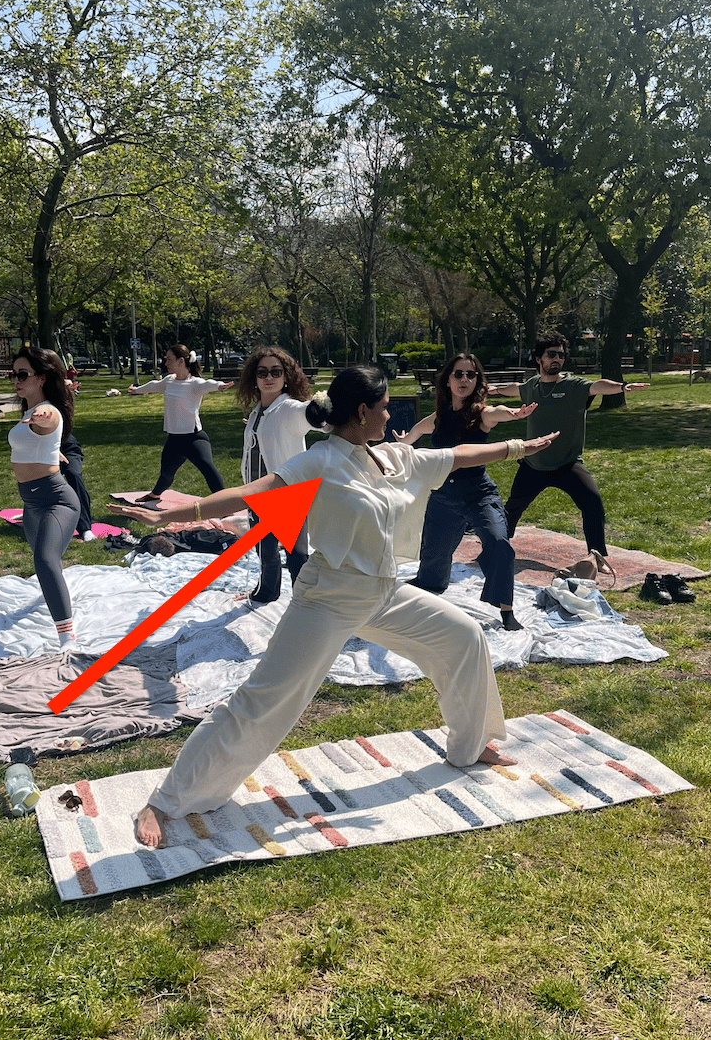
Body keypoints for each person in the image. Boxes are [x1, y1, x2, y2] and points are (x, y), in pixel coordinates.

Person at [108, 364, 559, 847]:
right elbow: (246, 494)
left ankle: (470, 747)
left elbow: (460, 454)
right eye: (385, 407)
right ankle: (166, 800)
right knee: (262, 701)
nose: (392, 415)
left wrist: (518, 448)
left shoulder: (393, 458)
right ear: (362, 411)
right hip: (328, 597)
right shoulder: (320, 460)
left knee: (463, 636)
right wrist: (174, 514)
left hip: (384, 592)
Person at [394, 353, 535, 631]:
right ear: (447, 380)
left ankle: (506, 611)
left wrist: (514, 414)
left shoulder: (481, 413)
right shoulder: (440, 416)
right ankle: (430, 583)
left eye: (471, 375)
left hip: (478, 494)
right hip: (443, 496)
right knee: (433, 559)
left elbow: (497, 412)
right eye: (458, 374)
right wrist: (405, 441)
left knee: (499, 543)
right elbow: (417, 431)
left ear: (477, 382)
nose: (464, 379)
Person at [490, 334, 648, 560]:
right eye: (551, 354)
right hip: (533, 464)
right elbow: (514, 388)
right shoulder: (531, 386)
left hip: (567, 463)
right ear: (538, 359)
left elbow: (598, 386)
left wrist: (623, 387)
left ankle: (597, 556)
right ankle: (497, 547)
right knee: (512, 509)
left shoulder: (574, 386)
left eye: (561, 355)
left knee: (592, 502)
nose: (557, 359)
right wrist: (493, 391)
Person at [8, 347, 80, 648]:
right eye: (13, 374)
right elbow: (39, 441)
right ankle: (54, 593)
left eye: (22, 374)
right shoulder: (29, 411)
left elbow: (49, 419)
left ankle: (67, 639)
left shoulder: (46, 410)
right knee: (47, 562)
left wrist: (42, 416)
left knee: (45, 560)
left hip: (56, 500)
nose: (16, 380)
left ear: (41, 378)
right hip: (32, 503)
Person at [236, 346, 317, 602]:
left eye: (276, 371)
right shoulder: (258, 411)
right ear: (254, 378)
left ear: (286, 377)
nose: (268, 377)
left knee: (297, 555)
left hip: (286, 494)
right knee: (265, 551)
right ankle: (267, 592)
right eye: (262, 373)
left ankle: (306, 603)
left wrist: (321, 411)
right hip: (258, 492)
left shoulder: (290, 408)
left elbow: (312, 417)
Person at [127, 344, 233, 505]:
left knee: (208, 469)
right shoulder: (169, 381)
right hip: (174, 440)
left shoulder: (195, 384)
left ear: (181, 361)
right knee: (166, 474)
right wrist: (136, 390)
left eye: (169, 360)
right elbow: (153, 386)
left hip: (194, 439)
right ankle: (155, 495)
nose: (166, 363)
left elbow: (209, 384)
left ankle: (226, 504)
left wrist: (220, 386)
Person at [60, 378, 96, 542]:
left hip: (66, 444)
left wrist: (67, 391)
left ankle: (85, 528)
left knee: (73, 474)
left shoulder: (60, 399)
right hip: (42, 447)